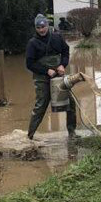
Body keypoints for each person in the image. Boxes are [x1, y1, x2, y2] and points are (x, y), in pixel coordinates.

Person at [25, 13, 77, 141]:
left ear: (47, 25)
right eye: (38, 27)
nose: (41, 30)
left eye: (43, 26)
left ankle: (72, 133)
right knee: (40, 106)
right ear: (35, 28)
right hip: (42, 79)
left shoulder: (57, 37)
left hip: (59, 76)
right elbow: (29, 64)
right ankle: (30, 135)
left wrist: (62, 65)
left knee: (71, 103)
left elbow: (65, 51)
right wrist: (46, 70)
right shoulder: (32, 43)